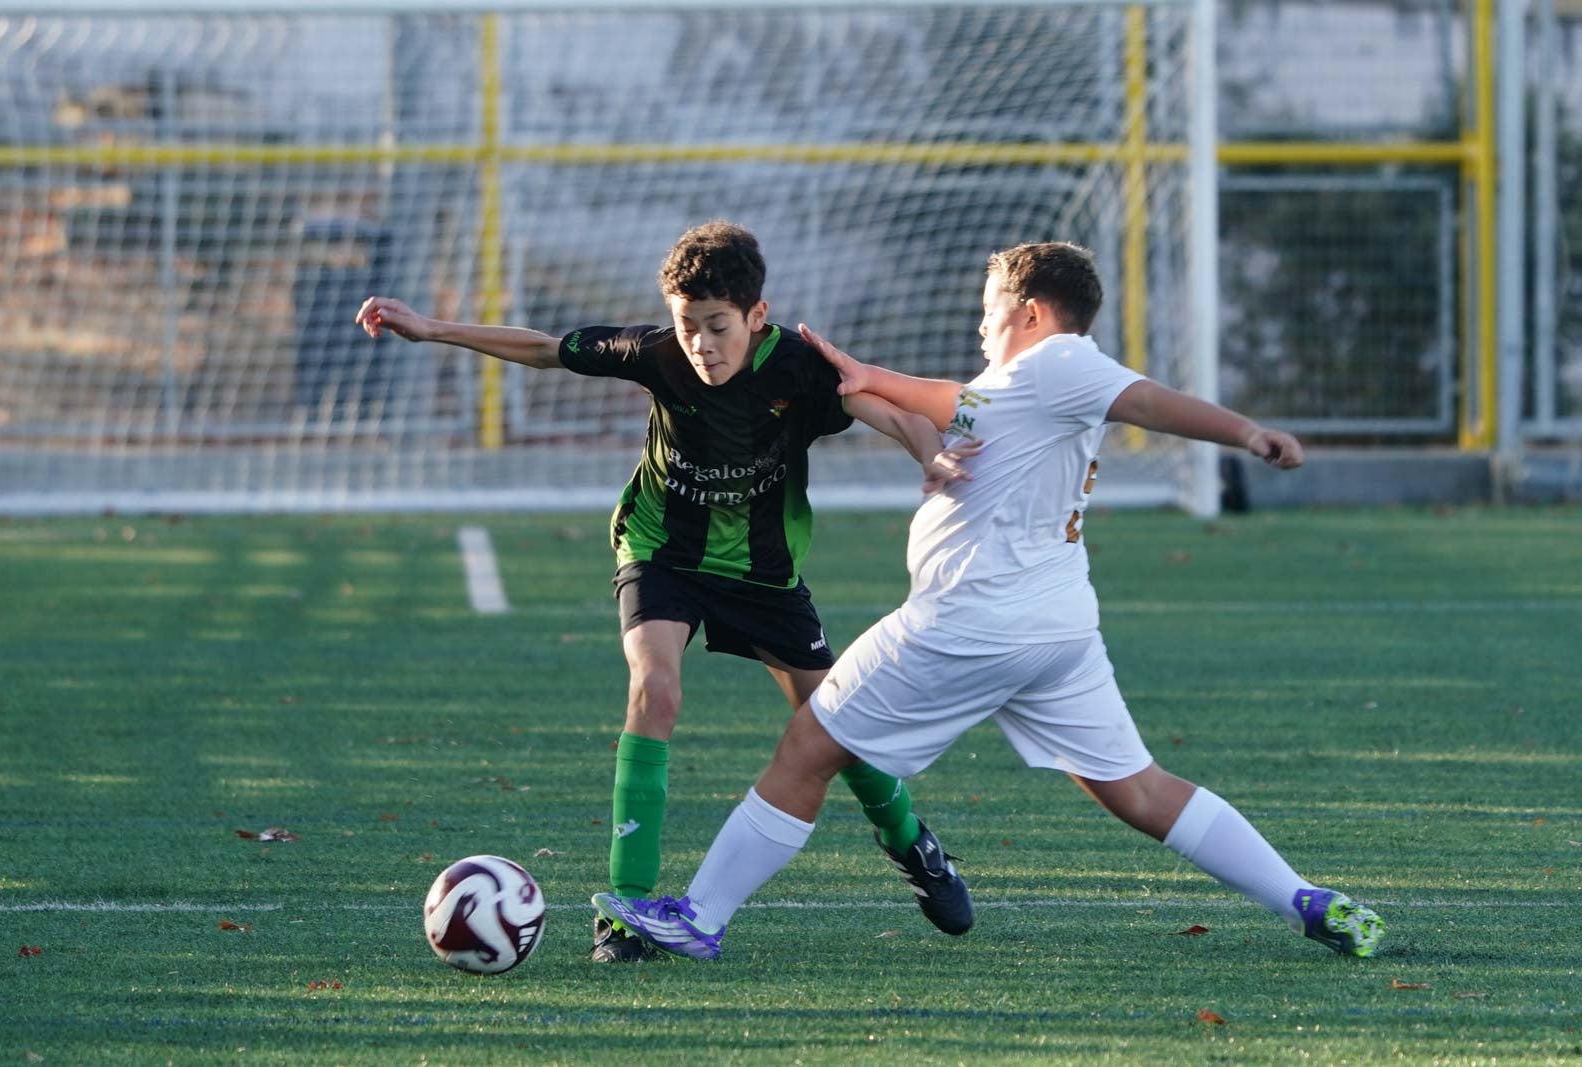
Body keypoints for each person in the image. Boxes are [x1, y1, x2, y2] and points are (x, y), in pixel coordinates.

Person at [592, 240, 1387, 961]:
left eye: (990, 311)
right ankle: (1303, 898)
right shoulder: (1024, 386)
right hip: (1059, 630)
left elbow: (1144, 400)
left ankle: (700, 913)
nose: (980, 328)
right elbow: (954, 402)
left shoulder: (1065, 363)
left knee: (807, 748)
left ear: (1033, 313)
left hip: (966, 624)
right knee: (1140, 789)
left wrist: (1245, 432)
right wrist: (869, 376)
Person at [356, 221, 973, 962]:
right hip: (661, 551)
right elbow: (545, 347)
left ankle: (911, 842)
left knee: (836, 725)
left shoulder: (799, 370)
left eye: (717, 327)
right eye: (688, 326)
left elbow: (893, 410)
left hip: (761, 574)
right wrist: (431, 329)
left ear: (756, 316)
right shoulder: (657, 354)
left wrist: (932, 455)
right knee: (656, 690)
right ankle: (625, 913)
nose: (701, 345)